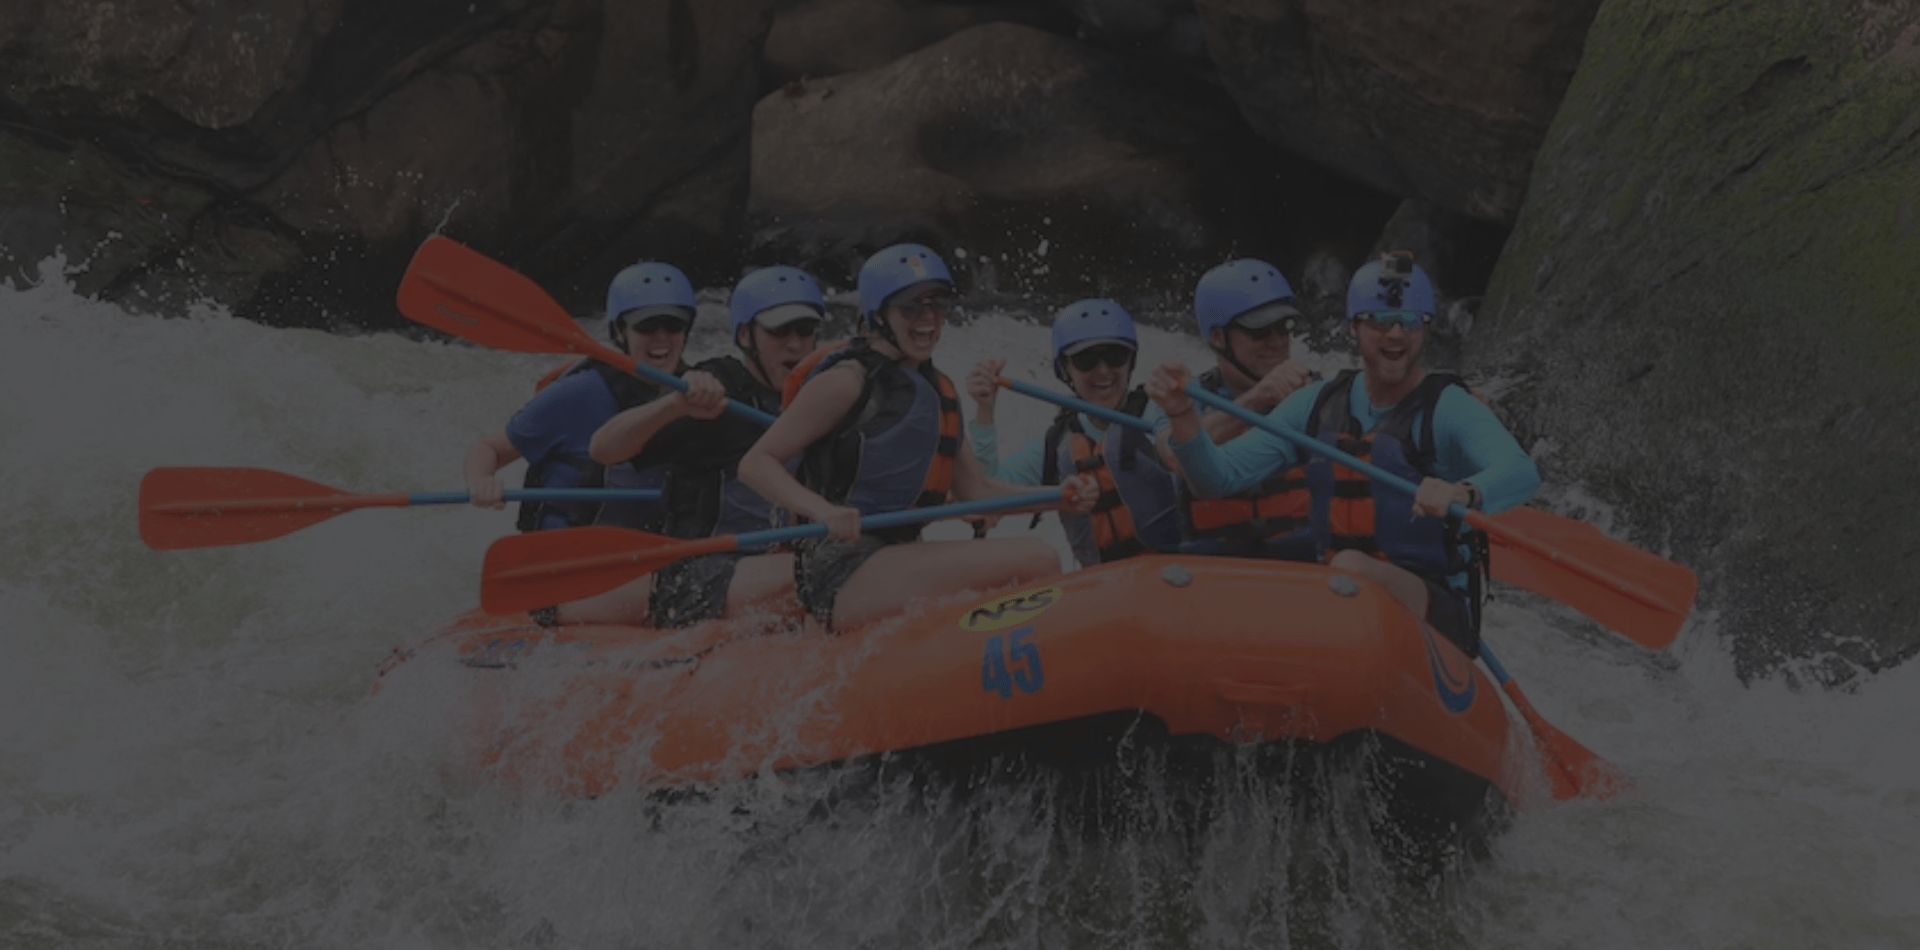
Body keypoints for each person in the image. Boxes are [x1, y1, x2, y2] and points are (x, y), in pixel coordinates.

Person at [1147, 251, 1541, 656]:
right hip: (1338, 603)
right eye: (1380, 321)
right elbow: (1216, 479)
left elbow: (1520, 472)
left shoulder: (1450, 406)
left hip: (1429, 609)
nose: (1395, 336)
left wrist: (1464, 492)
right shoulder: (1316, 403)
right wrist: (1183, 419)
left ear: (1425, 329)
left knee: (1349, 569)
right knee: (1337, 577)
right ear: (1353, 327)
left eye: (1410, 322)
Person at [737, 243, 1097, 633]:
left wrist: (1056, 496)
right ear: (879, 315)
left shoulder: (940, 391)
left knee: (1031, 560)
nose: (928, 318)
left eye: (936, 305)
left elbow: (974, 492)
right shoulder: (845, 381)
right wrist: (821, 510)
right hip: (840, 568)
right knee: (1039, 558)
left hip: (899, 556)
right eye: (911, 307)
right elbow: (756, 463)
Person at [582, 265, 826, 627]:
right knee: (828, 573)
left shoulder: (821, 391)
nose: (795, 344)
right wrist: (674, 405)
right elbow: (603, 449)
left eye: (805, 331)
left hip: (781, 559)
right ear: (746, 335)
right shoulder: (717, 388)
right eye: (778, 331)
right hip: (698, 571)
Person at [464, 261, 697, 534]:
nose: (661, 338)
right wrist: (481, 481)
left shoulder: (698, 392)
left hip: (648, 549)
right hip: (570, 543)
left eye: (673, 325)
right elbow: (489, 447)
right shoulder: (581, 392)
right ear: (620, 331)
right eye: (646, 326)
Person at [965, 298, 1183, 568]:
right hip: (1102, 586)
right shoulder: (1056, 444)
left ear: (1131, 361)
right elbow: (983, 497)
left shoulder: (1161, 413)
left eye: (1116, 356)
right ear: (1065, 369)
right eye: (1086, 360)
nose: (1103, 370)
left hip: (1178, 573)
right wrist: (985, 410)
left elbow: (1191, 453)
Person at [1152, 258, 1322, 557]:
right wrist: (1258, 398)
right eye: (1260, 332)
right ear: (1218, 338)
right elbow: (1174, 456)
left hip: (1304, 568)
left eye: (1283, 328)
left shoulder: (1320, 394)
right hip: (1216, 572)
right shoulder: (1178, 399)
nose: (1277, 342)